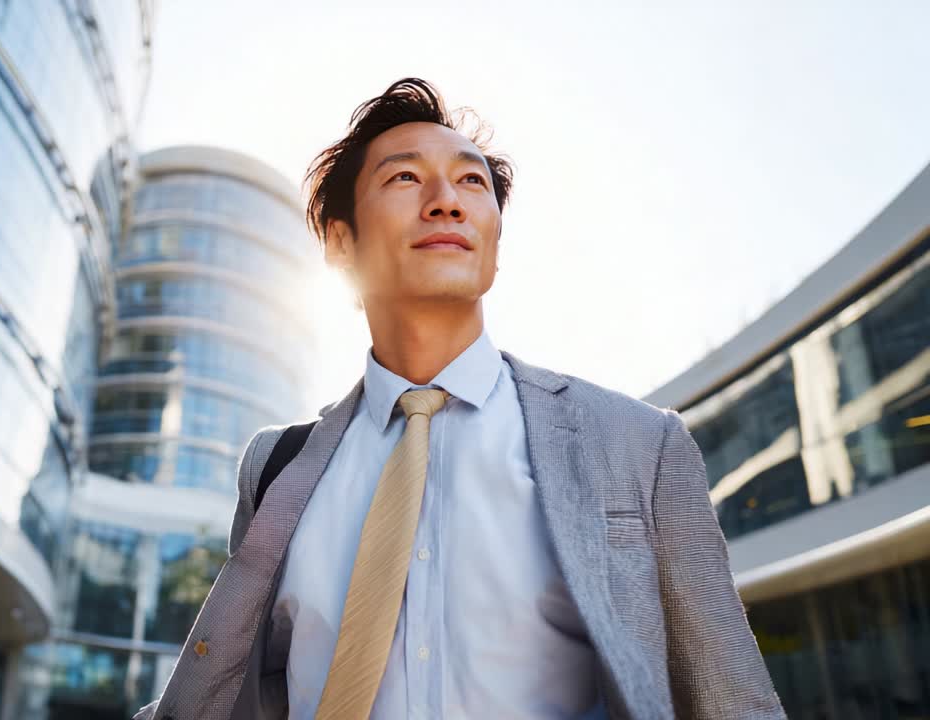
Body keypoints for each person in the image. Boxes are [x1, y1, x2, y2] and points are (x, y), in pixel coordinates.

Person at [134, 78, 784, 720]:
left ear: (495, 239)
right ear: (340, 244)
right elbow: (248, 690)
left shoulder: (639, 445)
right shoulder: (276, 467)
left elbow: (732, 700)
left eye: (472, 182)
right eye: (405, 179)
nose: (447, 201)